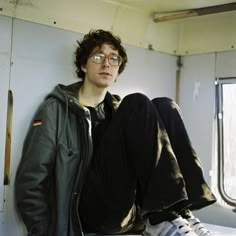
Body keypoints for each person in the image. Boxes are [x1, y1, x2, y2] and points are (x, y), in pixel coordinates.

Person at [15, 29, 216, 236]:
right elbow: (31, 180)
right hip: (87, 215)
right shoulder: (57, 110)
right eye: (98, 56)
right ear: (84, 65)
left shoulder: (120, 112)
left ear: (118, 69)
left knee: (164, 106)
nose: (107, 64)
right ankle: (160, 216)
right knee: (137, 102)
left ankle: (179, 210)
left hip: (124, 211)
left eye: (114, 58)